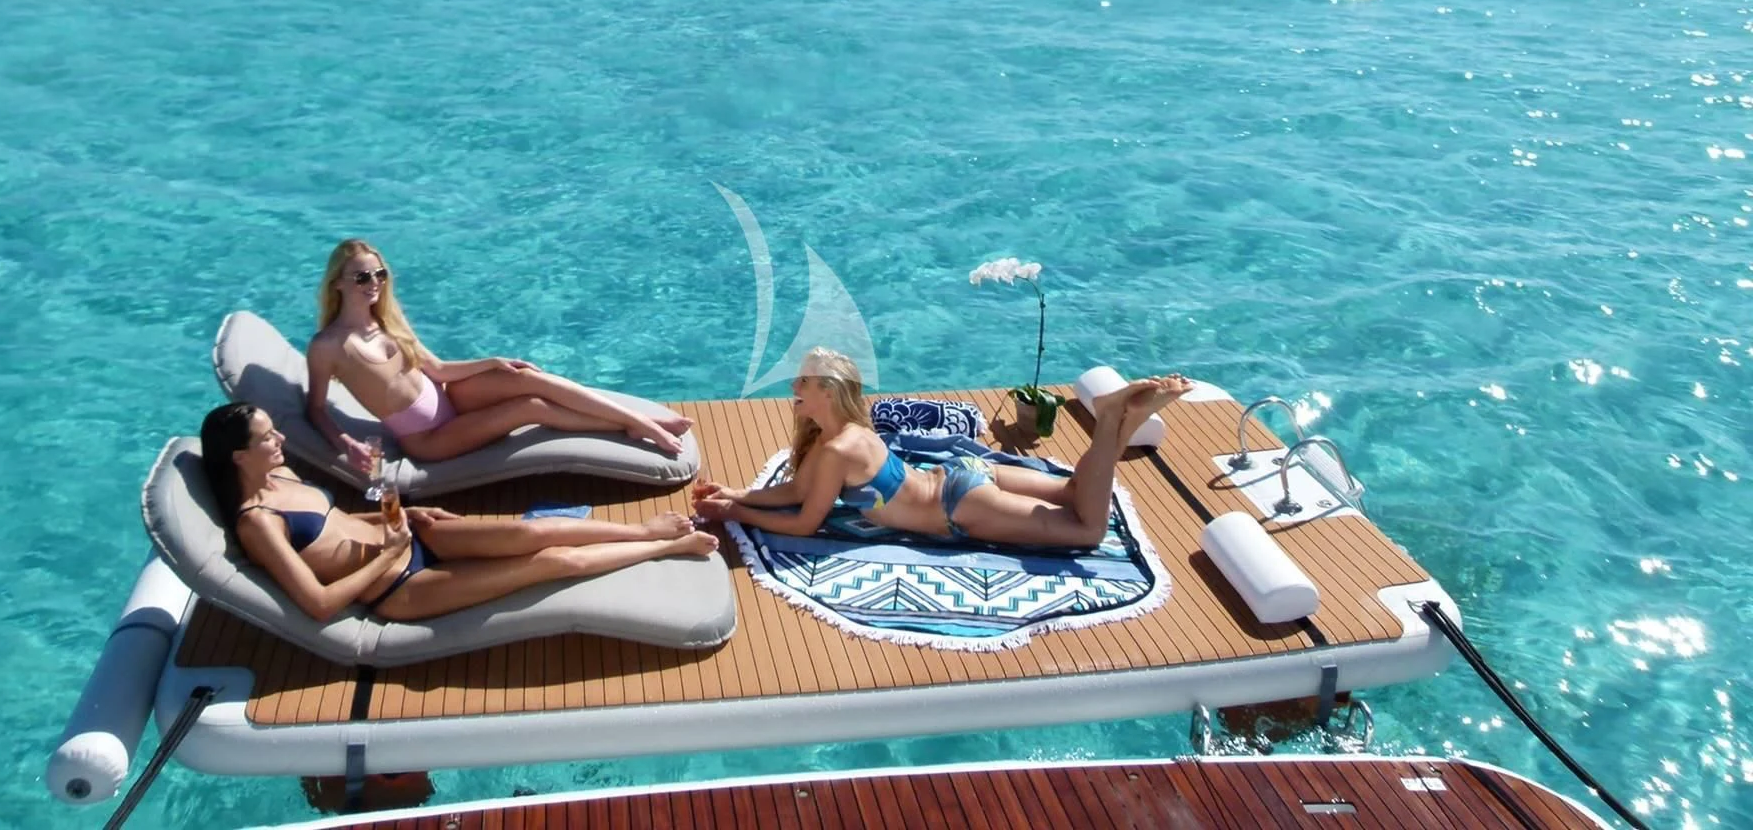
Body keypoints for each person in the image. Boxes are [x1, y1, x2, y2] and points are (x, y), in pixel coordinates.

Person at [201, 402, 717, 622]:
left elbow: (341, 527)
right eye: (267, 437)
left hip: (408, 535)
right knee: (550, 563)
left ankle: (640, 529)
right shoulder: (258, 522)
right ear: (239, 457)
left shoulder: (283, 475)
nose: (280, 438)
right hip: (398, 587)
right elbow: (318, 604)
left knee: (532, 532)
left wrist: (406, 512)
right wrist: (389, 557)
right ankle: (666, 545)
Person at [693, 349, 1191, 548]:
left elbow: (805, 522)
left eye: (802, 381)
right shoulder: (850, 432)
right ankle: (1126, 420)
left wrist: (738, 515)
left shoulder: (835, 450)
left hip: (961, 504)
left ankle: (1111, 417)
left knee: (1088, 530)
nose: (793, 387)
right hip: (963, 473)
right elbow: (796, 492)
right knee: (1078, 491)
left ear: (826, 390)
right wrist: (734, 495)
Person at [306, 239, 693, 466]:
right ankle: (635, 427)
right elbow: (317, 409)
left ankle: (638, 420)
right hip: (430, 437)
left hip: (447, 398)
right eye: (362, 276)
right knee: (532, 408)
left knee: (526, 378)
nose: (374, 283)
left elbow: (437, 369)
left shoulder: (388, 319)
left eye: (379, 274)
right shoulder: (327, 347)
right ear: (338, 283)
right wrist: (346, 444)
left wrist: (493, 363)